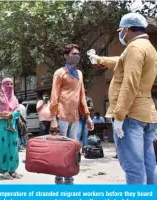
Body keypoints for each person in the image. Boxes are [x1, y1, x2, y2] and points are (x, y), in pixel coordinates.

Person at [89, 13, 157, 184]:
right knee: (149, 164)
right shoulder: (147, 47)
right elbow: (121, 61)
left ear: (126, 30)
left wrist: (119, 115)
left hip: (130, 115)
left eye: (121, 31)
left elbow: (130, 82)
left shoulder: (134, 48)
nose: (121, 34)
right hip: (146, 113)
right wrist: (99, 59)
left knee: (133, 166)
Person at [50, 43, 94, 184]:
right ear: (65, 56)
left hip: (75, 117)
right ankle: (59, 177)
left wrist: (87, 117)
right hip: (61, 115)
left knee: (72, 149)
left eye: (78, 54)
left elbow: (82, 97)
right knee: (61, 149)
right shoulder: (59, 73)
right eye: (73, 54)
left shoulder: (80, 74)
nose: (76, 56)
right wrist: (53, 118)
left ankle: (69, 177)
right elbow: (54, 96)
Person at [0, 78, 21, 180]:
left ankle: (12, 169)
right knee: (2, 147)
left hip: (12, 126)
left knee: (13, 148)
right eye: (7, 84)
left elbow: (18, 110)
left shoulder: (14, 98)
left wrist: (11, 114)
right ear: (2, 85)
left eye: (11, 84)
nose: (10, 86)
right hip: (2, 126)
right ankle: (4, 170)